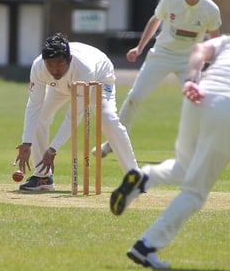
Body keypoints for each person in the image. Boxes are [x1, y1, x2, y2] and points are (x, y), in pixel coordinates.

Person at [110, 18, 230, 270]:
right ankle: (146, 246)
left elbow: (199, 50)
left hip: (199, 95)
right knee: (195, 192)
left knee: (185, 167)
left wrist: (191, 79)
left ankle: (143, 178)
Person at [95, 0, 222, 158]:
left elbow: (215, 40)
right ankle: (113, 143)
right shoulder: (170, 0)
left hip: (189, 59)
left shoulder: (210, 9)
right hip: (162, 54)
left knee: (195, 102)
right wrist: (139, 48)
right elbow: (155, 21)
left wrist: (215, 64)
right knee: (135, 96)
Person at [13, 33, 138, 192]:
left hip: (98, 79)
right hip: (61, 86)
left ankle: (134, 177)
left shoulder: (84, 69)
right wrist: (26, 142)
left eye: (59, 64)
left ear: (69, 60)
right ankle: (43, 177)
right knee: (40, 118)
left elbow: (74, 116)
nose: (54, 69)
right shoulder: (38, 67)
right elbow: (34, 105)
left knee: (107, 120)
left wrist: (53, 149)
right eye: (50, 64)